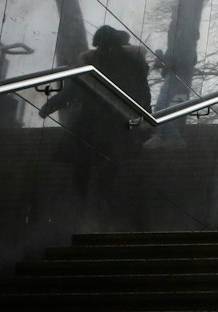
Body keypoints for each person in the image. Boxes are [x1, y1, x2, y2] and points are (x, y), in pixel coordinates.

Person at [40, 24, 153, 191]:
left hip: (93, 121)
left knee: (85, 161)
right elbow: (143, 92)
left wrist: (51, 105)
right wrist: (146, 116)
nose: (105, 49)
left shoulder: (94, 63)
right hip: (115, 122)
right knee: (105, 162)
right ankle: (100, 196)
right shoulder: (132, 63)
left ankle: (85, 197)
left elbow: (75, 88)